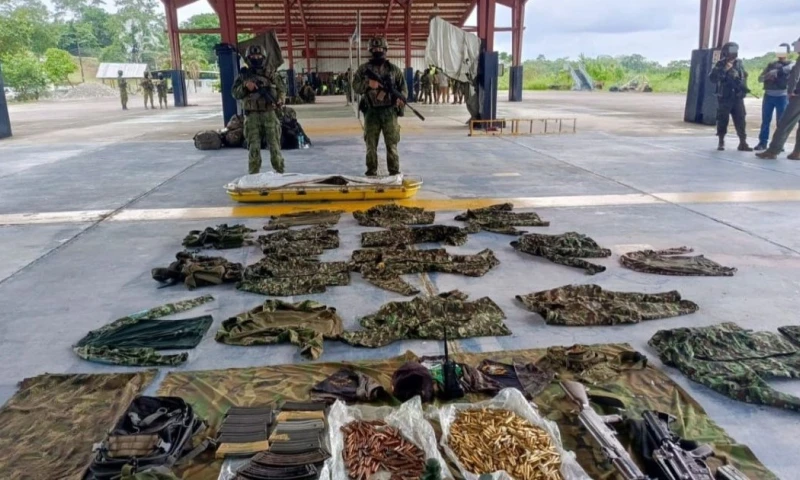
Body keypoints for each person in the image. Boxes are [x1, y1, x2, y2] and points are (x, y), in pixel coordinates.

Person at [353, 36, 407, 177]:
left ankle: (394, 172)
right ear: (370, 50)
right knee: (371, 145)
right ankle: (371, 171)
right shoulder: (363, 69)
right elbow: (355, 86)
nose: (378, 51)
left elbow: (403, 88)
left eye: (380, 48)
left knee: (392, 144)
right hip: (371, 112)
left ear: (385, 50)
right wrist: (368, 84)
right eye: (375, 49)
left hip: (389, 112)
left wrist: (400, 98)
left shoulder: (394, 70)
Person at [232, 44, 286, 174]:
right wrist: (245, 86)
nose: (256, 58)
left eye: (258, 56)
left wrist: (280, 99)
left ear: (263, 57)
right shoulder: (243, 76)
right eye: (253, 56)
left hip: (269, 114)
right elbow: (235, 93)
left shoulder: (272, 74)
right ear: (248, 58)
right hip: (252, 116)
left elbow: (282, 89)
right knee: (253, 147)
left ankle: (280, 172)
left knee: (274, 146)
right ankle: (253, 175)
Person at [757, 37, 800, 160]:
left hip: (796, 97)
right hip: (775, 94)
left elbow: (795, 76)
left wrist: (791, 92)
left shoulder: (795, 62)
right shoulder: (772, 65)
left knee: (784, 123)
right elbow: (761, 78)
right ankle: (797, 152)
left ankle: (773, 150)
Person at [708, 42, 752, 151]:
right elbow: (712, 78)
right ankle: (721, 141)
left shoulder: (739, 63)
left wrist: (743, 90)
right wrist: (725, 70)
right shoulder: (720, 64)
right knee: (722, 119)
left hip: (737, 97)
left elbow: (743, 77)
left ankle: (743, 142)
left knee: (740, 119)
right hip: (725, 97)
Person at [754, 51, 793, 150]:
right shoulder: (771, 65)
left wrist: (777, 72)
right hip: (768, 95)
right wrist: (767, 76)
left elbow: (792, 68)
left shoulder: (791, 64)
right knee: (765, 121)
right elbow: (760, 79)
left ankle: (779, 144)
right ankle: (762, 143)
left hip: (782, 96)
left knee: (781, 122)